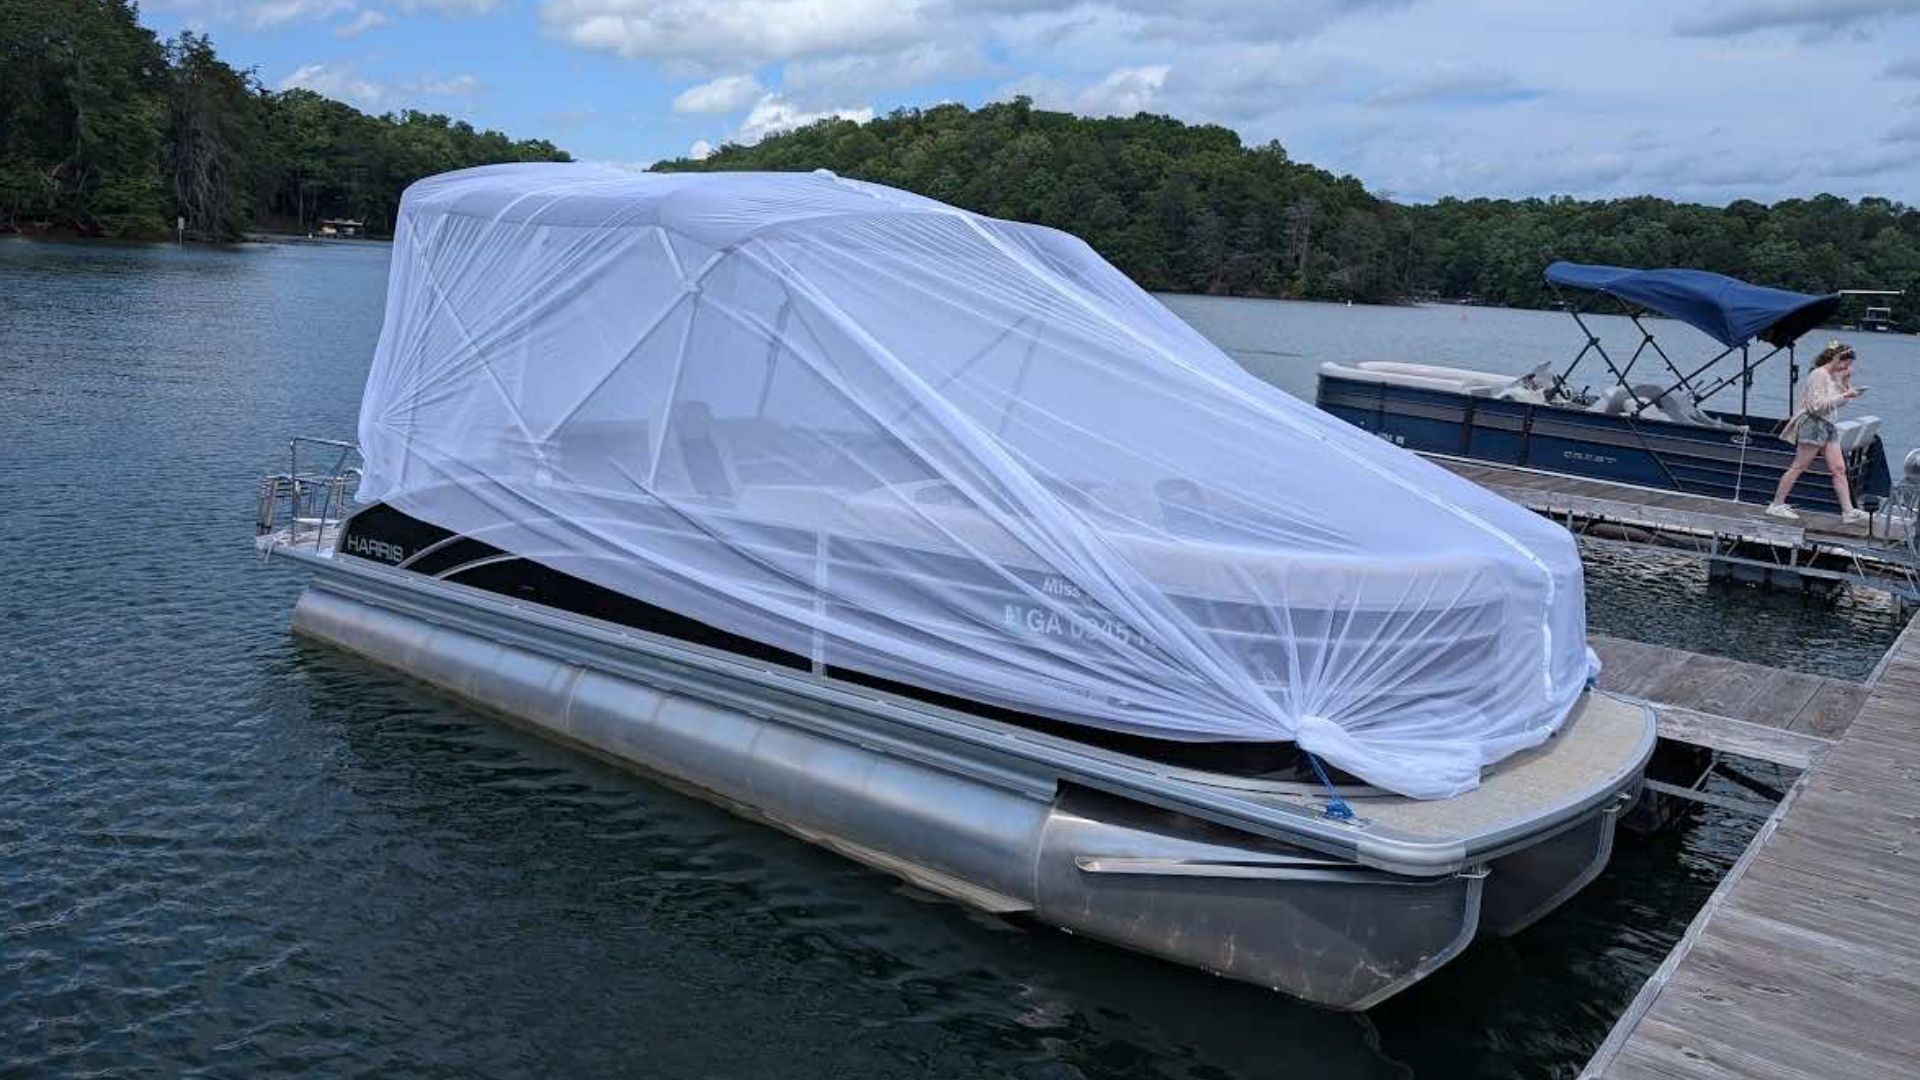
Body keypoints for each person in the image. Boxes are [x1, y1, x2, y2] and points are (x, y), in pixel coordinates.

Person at [1767, 341, 1867, 524]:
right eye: (1847, 362)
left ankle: (1848, 511)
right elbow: (1816, 406)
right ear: (1837, 358)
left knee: (1839, 468)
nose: (1848, 367)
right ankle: (1776, 504)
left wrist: (1846, 385)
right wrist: (1845, 395)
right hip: (1813, 424)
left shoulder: (1833, 376)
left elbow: (1837, 403)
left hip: (1828, 425)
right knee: (1799, 466)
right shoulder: (1818, 375)